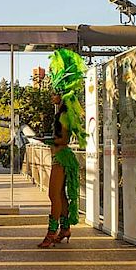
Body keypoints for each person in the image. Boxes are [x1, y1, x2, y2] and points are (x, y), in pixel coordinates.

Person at [38, 48, 87, 248]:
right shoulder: (63, 111)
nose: (52, 96)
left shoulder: (64, 112)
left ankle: (51, 234)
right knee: (60, 195)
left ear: (61, 93)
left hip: (62, 157)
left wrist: (51, 141)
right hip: (61, 155)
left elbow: (63, 138)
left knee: (53, 195)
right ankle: (65, 229)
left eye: (54, 93)